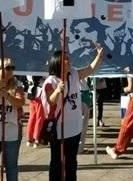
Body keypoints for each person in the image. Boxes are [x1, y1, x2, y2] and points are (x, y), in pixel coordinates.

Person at [42, 43, 104, 181]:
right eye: (65, 59)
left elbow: (89, 69)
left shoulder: (73, 74)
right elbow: (50, 101)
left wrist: (99, 57)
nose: (69, 60)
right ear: (57, 62)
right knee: (57, 164)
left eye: (68, 58)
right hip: (59, 131)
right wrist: (58, 90)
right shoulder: (51, 81)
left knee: (71, 163)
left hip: (74, 129)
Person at [106, 71, 133, 159]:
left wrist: (121, 90)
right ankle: (118, 149)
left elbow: (130, 87)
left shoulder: (129, 70)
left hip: (129, 98)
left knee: (127, 125)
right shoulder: (132, 70)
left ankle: (117, 149)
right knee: (132, 125)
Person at [26, 76, 44, 147]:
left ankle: (29, 139)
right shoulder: (39, 72)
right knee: (39, 117)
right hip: (39, 94)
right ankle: (37, 139)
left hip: (31, 94)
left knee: (32, 117)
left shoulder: (29, 71)